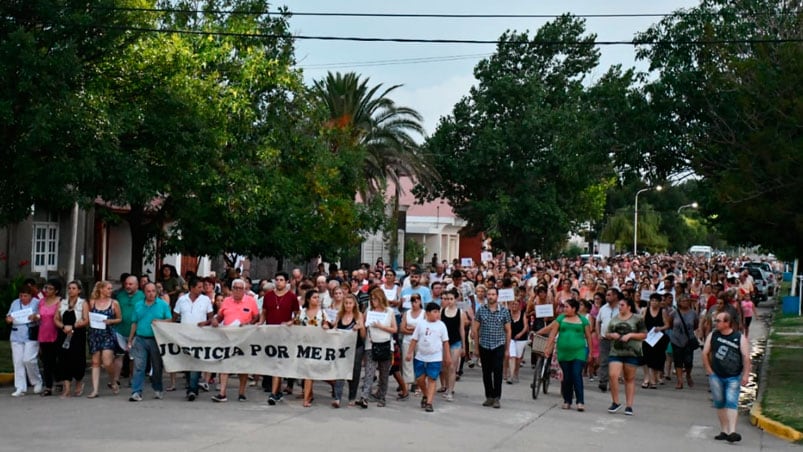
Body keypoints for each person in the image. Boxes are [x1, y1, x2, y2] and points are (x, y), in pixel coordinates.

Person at [703, 311, 751, 443]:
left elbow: (746, 357)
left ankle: (732, 431)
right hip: (716, 375)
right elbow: (705, 352)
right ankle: (724, 430)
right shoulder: (713, 335)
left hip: (733, 376)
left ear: (727, 323)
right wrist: (709, 370)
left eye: (719, 321)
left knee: (731, 401)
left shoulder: (739, 337)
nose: (716, 323)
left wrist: (746, 374)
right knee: (719, 402)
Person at [210, 278, 260, 402]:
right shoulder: (226, 301)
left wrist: (248, 323)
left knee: (243, 366)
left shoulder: (251, 301)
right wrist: (216, 320)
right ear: (232, 289)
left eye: (240, 288)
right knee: (225, 364)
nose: (237, 290)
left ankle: (241, 392)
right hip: (228, 337)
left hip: (244, 338)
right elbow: (221, 316)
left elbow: (256, 317)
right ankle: (222, 393)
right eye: (235, 288)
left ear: (244, 290)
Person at [539, 299, 592, 411]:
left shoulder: (583, 321)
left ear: (574, 309)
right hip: (563, 352)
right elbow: (553, 334)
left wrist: (591, 352)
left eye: (567, 307)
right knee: (567, 377)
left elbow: (589, 337)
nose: (564, 309)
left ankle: (580, 401)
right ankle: (567, 400)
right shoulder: (561, 318)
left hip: (579, 352)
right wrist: (548, 348)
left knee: (576, 374)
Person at [127, 282, 173, 402]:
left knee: (157, 366)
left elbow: (170, 320)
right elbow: (134, 322)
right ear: (144, 292)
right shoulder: (138, 305)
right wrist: (130, 338)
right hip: (141, 338)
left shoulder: (162, 305)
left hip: (156, 339)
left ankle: (157, 388)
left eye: (153, 291)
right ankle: (136, 391)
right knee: (139, 366)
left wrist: (160, 321)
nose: (151, 294)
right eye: (148, 291)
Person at [172, 277, 214, 401]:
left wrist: (206, 322)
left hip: (199, 335)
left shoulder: (205, 300)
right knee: (187, 362)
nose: (202, 289)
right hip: (184, 336)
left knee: (195, 362)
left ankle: (192, 389)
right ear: (192, 288)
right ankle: (192, 385)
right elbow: (174, 317)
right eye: (199, 287)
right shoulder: (182, 300)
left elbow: (211, 317)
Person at [405, 302, 451, 412]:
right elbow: (414, 339)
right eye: (434, 312)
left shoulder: (441, 325)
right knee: (420, 379)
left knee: (432, 378)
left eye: (438, 312)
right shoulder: (421, 324)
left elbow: (445, 342)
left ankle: (429, 402)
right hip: (421, 356)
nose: (437, 314)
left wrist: (447, 355)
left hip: (435, 357)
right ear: (428, 313)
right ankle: (425, 394)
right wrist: (409, 352)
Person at [605, 297, 647, 416]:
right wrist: (611, 335)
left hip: (632, 352)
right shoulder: (614, 319)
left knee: (629, 378)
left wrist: (630, 335)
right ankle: (615, 401)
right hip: (616, 351)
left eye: (622, 305)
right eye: (619, 305)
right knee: (613, 375)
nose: (620, 307)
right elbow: (607, 333)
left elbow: (644, 335)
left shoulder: (637, 319)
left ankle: (629, 405)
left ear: (629, 307)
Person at [471, 286, 511, 409]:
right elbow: (475, 329)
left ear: (497, 296)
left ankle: (497, 397)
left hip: (498, 344)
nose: (491, 296)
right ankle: (489, 396)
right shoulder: (481, 310)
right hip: (484, 345)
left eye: (493, 294)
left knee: (498, 372)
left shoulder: (504, 311)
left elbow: (508, 331)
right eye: (489, 294)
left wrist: (507, 349)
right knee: (486, 372)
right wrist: (476, 348)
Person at [358, 288, 397, 408]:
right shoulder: (369, 310)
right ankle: (364, 396)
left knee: (384, 373)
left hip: (385, 344)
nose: (373, 301)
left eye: (375, 299)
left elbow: (394, 329)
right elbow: (363, 323)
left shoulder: (389, 311)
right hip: (371, 344)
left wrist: (380, 326)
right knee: (369, 371)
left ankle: (382, 396)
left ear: (380, 298)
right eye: (371, 299)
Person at [265, 272, 300, 405]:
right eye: (277, 280)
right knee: (274, 363)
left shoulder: (291, 297)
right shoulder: (268, 296)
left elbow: (297, 315)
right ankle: (277, 391)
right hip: (270, 333)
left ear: (286, 282)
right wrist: (259, 323)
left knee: (279, 363)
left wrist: (291, 322)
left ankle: (273, 393)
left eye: (281, 280)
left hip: (285, 335)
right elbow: (264, 312)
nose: (279, 282)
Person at [5, 284, 43, 396]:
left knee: (28, 359)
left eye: (25, 296)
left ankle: (37, 380)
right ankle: (20, 387)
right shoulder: (15, 303)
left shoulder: (36, 302)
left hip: (30, 334)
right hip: (16, 334)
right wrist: (9, 319)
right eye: (21, 296)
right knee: (18, 361)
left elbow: (42, 315)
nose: (23, 298)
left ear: (30, 296)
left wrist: (36, 316)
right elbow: (8, 316)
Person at [295, 290, 331, 407]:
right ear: (309, 299)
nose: (317, 299)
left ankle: (307, 396)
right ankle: (307, 395)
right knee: (306, 372)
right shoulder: (302, 312)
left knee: (312, 372)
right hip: (303, 345)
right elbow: (296, 324)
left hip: (317, 346)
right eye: (314, 297)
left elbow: (329, 324)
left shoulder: (323, 313)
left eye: (318, 297)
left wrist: (326, 325)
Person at [87, 281, 122, 398]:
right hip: (95, 333)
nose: (110, 291)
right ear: (101, 289)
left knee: (107, 361)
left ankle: (113, 381)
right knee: (95, 362)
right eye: (108, 288)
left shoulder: (114, 303)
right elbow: (88, 316)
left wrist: (110, 321)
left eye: (111, 288)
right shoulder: (92, 302)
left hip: (108, 333)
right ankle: (95, 390)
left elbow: (119, 318)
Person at [54, 280, 88, 398]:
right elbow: (56, 318)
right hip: (64, 333)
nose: (71, 291)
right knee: (64, 359)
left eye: (74, 288)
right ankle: (67, 388)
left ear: (79, 290)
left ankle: (79, 383)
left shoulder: (82, 303)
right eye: (69, 288)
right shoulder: (62, 303)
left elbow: (85, 319)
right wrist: (63, 326)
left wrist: (73, 327)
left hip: (77, 334)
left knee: (77, 359)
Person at [333, 294, 366, 408]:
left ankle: (352, 397)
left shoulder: (358, 315)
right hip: (343, 348)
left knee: (355, 372)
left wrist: (360, 327)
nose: (348, 305)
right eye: (346, 303)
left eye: (350, 303)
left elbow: (363, 336)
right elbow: (335, 330)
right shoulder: (339, 315)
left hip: (357, 346)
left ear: (354, 304)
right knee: (340, 371)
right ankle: (337, 398)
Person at [114, 275, 144, 388]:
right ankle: (115, 380)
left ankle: (133, 378)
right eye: (126, 284)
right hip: (120, 330)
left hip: (136, 332)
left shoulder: (142, 296)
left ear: (137, 285)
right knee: (118, 355)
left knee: (133, 357)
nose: (128, 286)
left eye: (130, 284)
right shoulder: (119, 295)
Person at [36, 279, 62, 396]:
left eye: (50, 288)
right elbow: (38, 314)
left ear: (56, 291)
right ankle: (48, 386)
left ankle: (59, 380)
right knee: (46, 360)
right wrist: (35, 317)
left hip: (56, 333)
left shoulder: (60, 302)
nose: (47, 290)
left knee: (55, 359)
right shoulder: (41, 301)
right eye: (46, 288)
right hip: (43, 332)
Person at [439, 288, 466, 401]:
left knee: (452, 367)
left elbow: (462, 329)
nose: (449, 301)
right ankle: (446, 387)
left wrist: (464, 346)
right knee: (445, 366)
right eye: (447, 299)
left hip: (456, 342)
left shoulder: (460, 313)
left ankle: (450, 391)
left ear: (456, 299)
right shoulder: (442, 311)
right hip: (444, 342)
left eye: (451, 299)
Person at [641, 293, 670, 389]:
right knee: (648, 358)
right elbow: (641, 323)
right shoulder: (645, 310)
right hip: (647, 338)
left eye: (656, 301)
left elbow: (667, 325)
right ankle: (651, 380)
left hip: (658, 338)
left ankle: (655, 377)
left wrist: (660, 328)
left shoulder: (662, 311)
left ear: (659, 302)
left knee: (657, 358)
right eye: (652, 300)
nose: (654, 302)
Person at [669, 295, 699, 390]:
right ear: (679, 302)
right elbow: (670, 324)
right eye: (682, 301)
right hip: (676, 339)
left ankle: (688, 375)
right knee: (678, 360)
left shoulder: (693, 313)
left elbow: (695, 325)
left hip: (688, 339)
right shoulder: (674, 313)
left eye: (686, 300)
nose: (685, 302)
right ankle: (679, 380)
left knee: (688, 361)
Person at [596, 288, 622, 392]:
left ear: (615, 296)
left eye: (609, 295)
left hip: (617, 340)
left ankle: (613, 382)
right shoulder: (603, 308)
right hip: (605, 338)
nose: (607, 297)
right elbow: (598, 321)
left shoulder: (621, 307)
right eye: (606, 295)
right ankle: (603, 381)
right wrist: (598, 334)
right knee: (604, 361)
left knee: (615, 362)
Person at [400, 293, 424, 394]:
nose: (414, 304)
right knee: (406, 362)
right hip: (407, 340)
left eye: (416, 301)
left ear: (420, 302)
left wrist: (411, 329)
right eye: (412, 301)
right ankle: (406, 385)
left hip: (420, 341)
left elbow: (423, 328)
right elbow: (402, 328)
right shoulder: (407, 313)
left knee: (419, 362)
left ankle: (418, 385)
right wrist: (413, 330)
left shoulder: (424, 313)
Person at [506, 295, 529, 384]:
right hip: (510, 338)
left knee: (518, 358)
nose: (514, 306)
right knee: (512, 356)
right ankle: (510, 376)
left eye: (516, 304)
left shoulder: (523, 314)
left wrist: (520, 334)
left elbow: (526, 326)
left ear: (519, 305)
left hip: (521, 338)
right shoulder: (507, 313)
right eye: (512, 304)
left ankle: (516, 373)